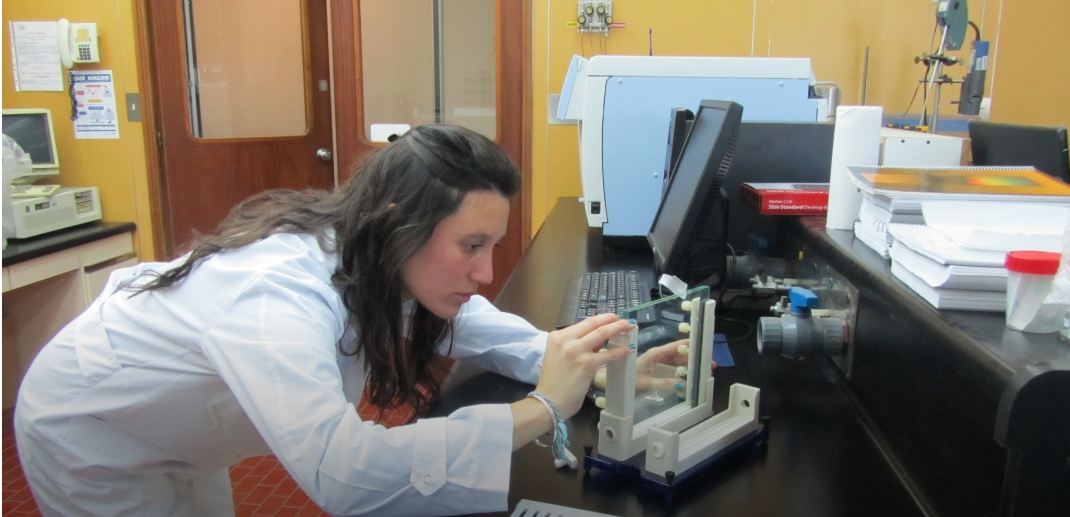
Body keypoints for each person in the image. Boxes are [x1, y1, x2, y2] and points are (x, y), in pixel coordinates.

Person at [13, 124, 686, 516]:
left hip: (189, 431)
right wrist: (542, 407)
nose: (485, 272)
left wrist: (591, 364)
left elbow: (475, 324)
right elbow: (342, 472)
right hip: (96, 431)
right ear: (401, 222)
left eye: (493, 246)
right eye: (471, 245)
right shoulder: (275, 297)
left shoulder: (375, 254)